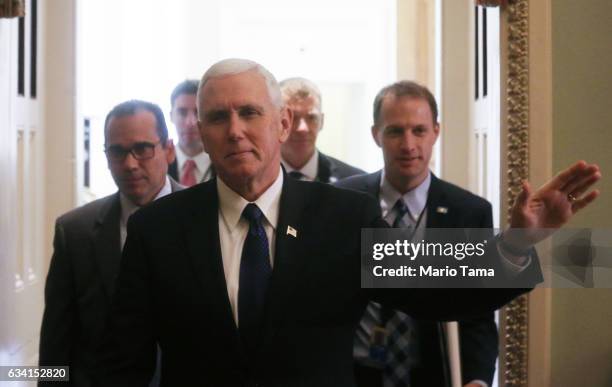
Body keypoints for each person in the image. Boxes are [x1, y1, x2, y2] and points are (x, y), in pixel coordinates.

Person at [95, 59, 600, 387]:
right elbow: (124, 362)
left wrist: (519, 242)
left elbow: (436, 286)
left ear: (282, 123)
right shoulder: (157, 230)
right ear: (199, 131)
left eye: (250, 112)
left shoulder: (342, 215)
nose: (235, 131)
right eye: (217, 118)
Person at [335, 81, 498, 387]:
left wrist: (477, 379)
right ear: (376, 135)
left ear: (436, 131)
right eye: (395, 131)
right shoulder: (342, 202)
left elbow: (478, 314)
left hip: (431, 376)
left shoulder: (469, 213)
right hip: (352, 375)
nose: (408, 145)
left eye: (419, 131)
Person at [39, 100, 181, 386]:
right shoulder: (75, 232)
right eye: (117, 152)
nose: (129, 164)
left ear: (168, 149)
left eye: (142, 149)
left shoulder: (207, 217)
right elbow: (55, 344)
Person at [279, 77, 364, 182]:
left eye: (312, 118)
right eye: (293, 118)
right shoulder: (255, 178)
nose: (302, 128)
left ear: (322, 121)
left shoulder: (356, 183)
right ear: (275, 122)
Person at [167, 79, 214, 186]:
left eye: (197, 112)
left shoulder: (225, 165)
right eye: (182, 112)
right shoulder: (159, 164)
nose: (190, 122)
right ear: (171, 116)